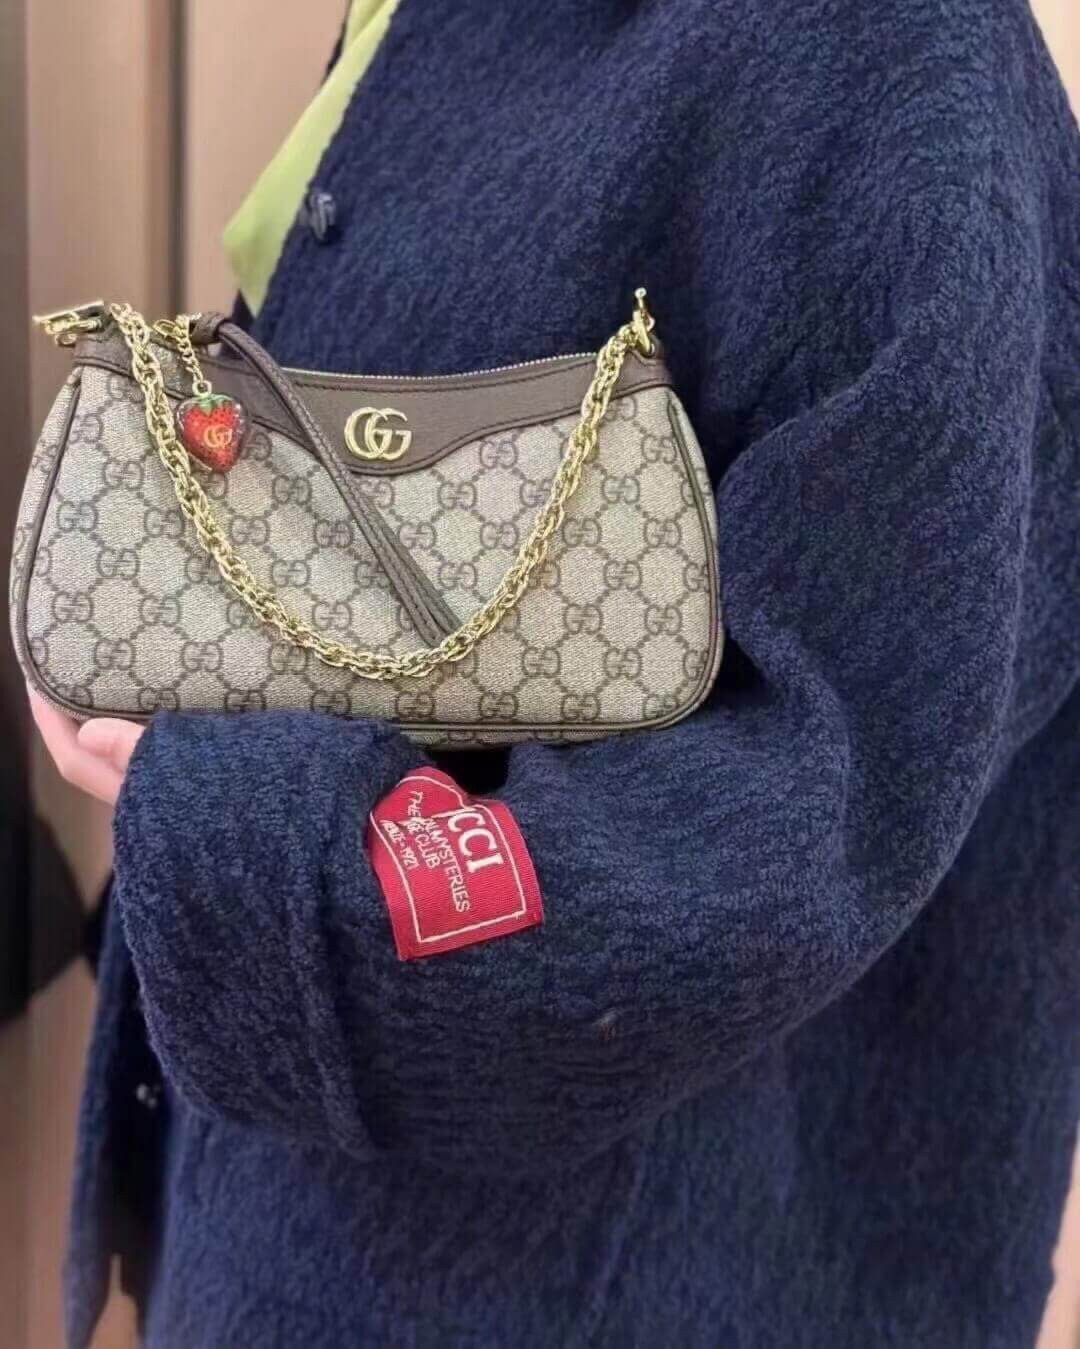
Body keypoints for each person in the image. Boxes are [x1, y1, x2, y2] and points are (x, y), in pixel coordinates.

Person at [32, 2, 1080, 1346]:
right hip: (296, 1211)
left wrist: (246, 840)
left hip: (551, 1281)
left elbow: (811, 803)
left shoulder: (895, 53)